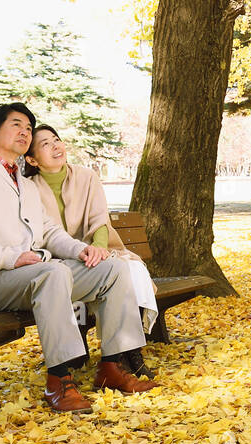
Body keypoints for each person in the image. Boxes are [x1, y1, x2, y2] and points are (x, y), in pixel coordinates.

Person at [0, 102, 157, 413]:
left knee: (113, 269)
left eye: (29, 128)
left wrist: (79, 250)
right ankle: (59, 379)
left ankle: (111, 367)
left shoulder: (25, 184)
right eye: (16, 125)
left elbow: (51, 232)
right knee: (52, 273)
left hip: (32, 274)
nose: (25, 132)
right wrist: (10, 258)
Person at [23, 124, 158, 379]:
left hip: (98, 250)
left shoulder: (86, 177)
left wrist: (98, 248)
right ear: (32, 159)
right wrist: (78, 253)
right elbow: (42, 235)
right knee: (80, 274)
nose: (55, 146)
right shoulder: (30, 188)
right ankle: (108, 355)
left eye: (57, 140)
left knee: (131, 270)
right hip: (59, 258)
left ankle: (129, 353)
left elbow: (100, 221)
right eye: (45, 144)